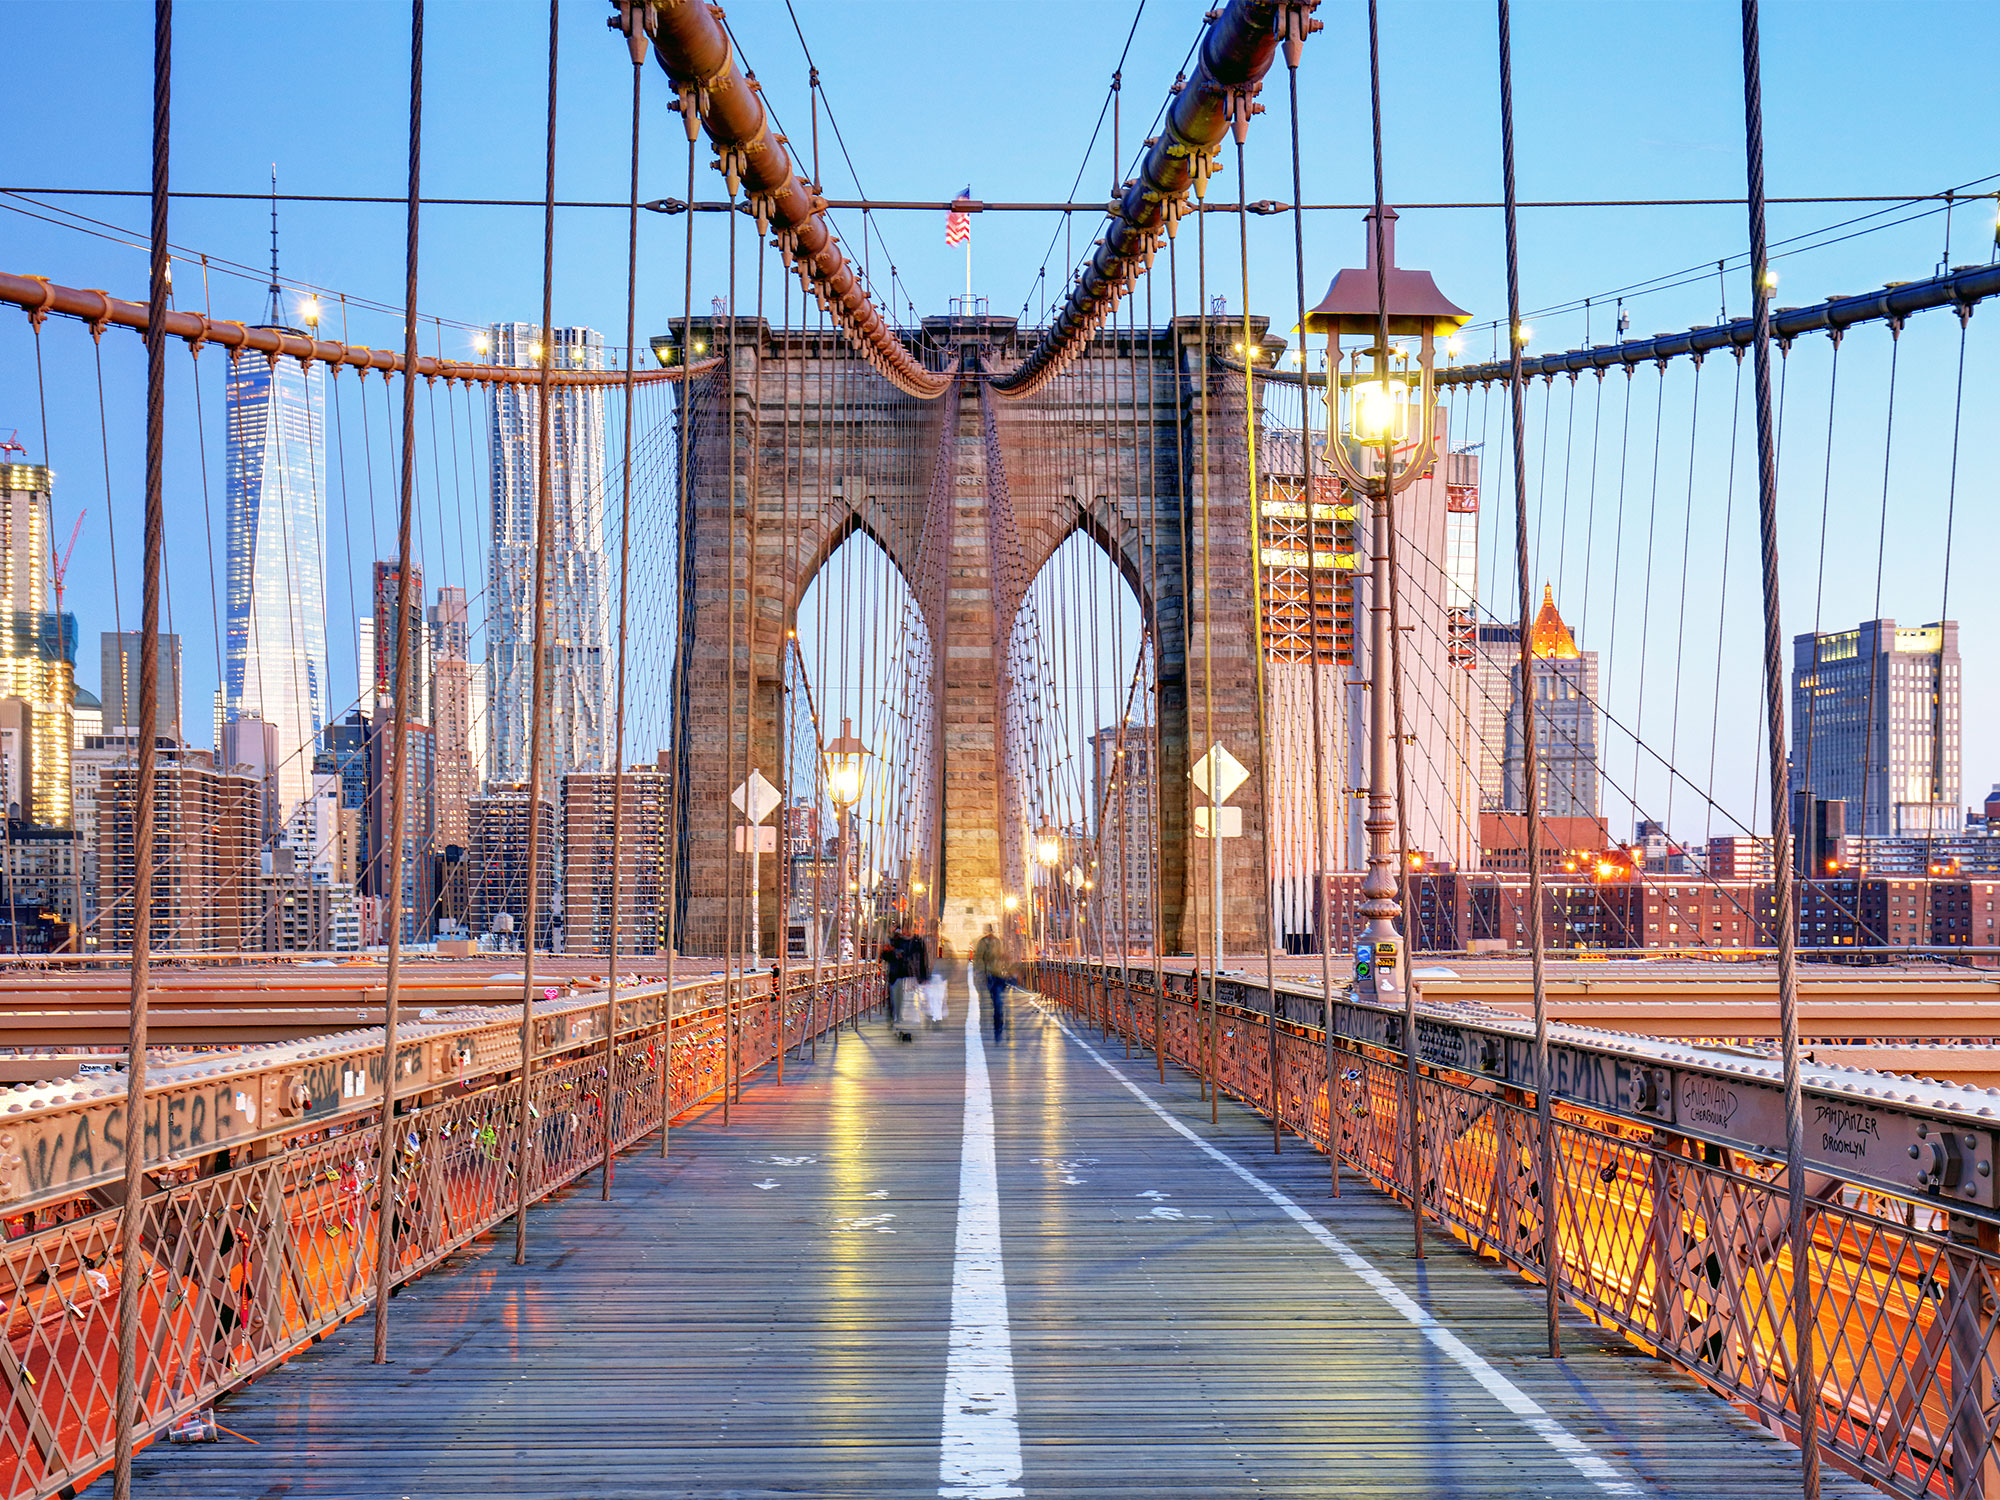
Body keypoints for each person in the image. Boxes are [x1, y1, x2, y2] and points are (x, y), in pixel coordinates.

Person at [972, 923, 1009, 1041]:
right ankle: (985, 1025)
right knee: (986, 1002)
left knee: (998, 1002)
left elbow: (1001, 956)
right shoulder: (983, 943)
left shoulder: (997, 942)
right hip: (987, 976)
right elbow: (978, 958)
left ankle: (998, 1026)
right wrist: (981, 973)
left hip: (997, 975)